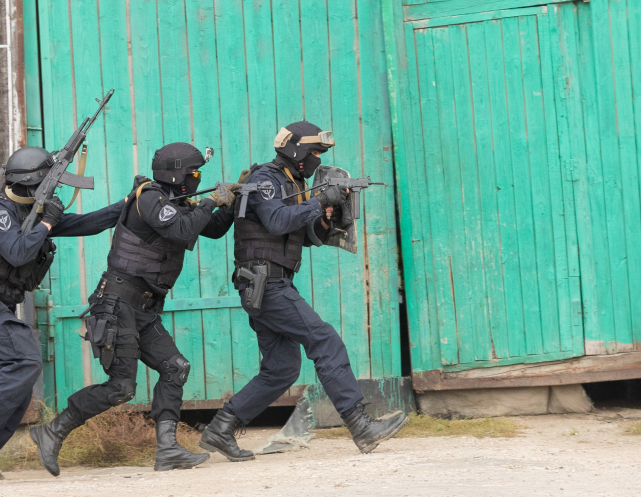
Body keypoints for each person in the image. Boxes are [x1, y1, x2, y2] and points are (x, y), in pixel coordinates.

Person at [198, 121, 407, 461]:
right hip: (266, 284)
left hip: (268, 283)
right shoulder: (266, 178)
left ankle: (220, 429)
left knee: (281, 369)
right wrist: (320, 199)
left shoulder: (292, 181)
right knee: (324, 340)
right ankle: (360, 426)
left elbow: (302, 236)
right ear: (295, 151)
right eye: (314, 152)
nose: (317, 159)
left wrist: (325, 216)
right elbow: (278, 221)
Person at [28, 143, 236, 474]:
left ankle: (167, 448)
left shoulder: (175, 203)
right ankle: (52, 431)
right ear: (178, 174)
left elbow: (210, 228)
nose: (198, 180)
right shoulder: (150, 198)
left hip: (142, 308)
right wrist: (213, 200)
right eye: (194, 174)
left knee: (175, 368)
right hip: (117, 303)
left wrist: (232, 202)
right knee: (122, 387)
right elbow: (184, 228)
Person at [0, 146, 126, 481]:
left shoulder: (31, 213)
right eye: (48, 183)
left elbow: (87, 223)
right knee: (25, 363)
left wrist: (128, 204)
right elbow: (17, 252)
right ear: (32, 184)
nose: (54, 191)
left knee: (18, 387)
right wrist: (47, 221)